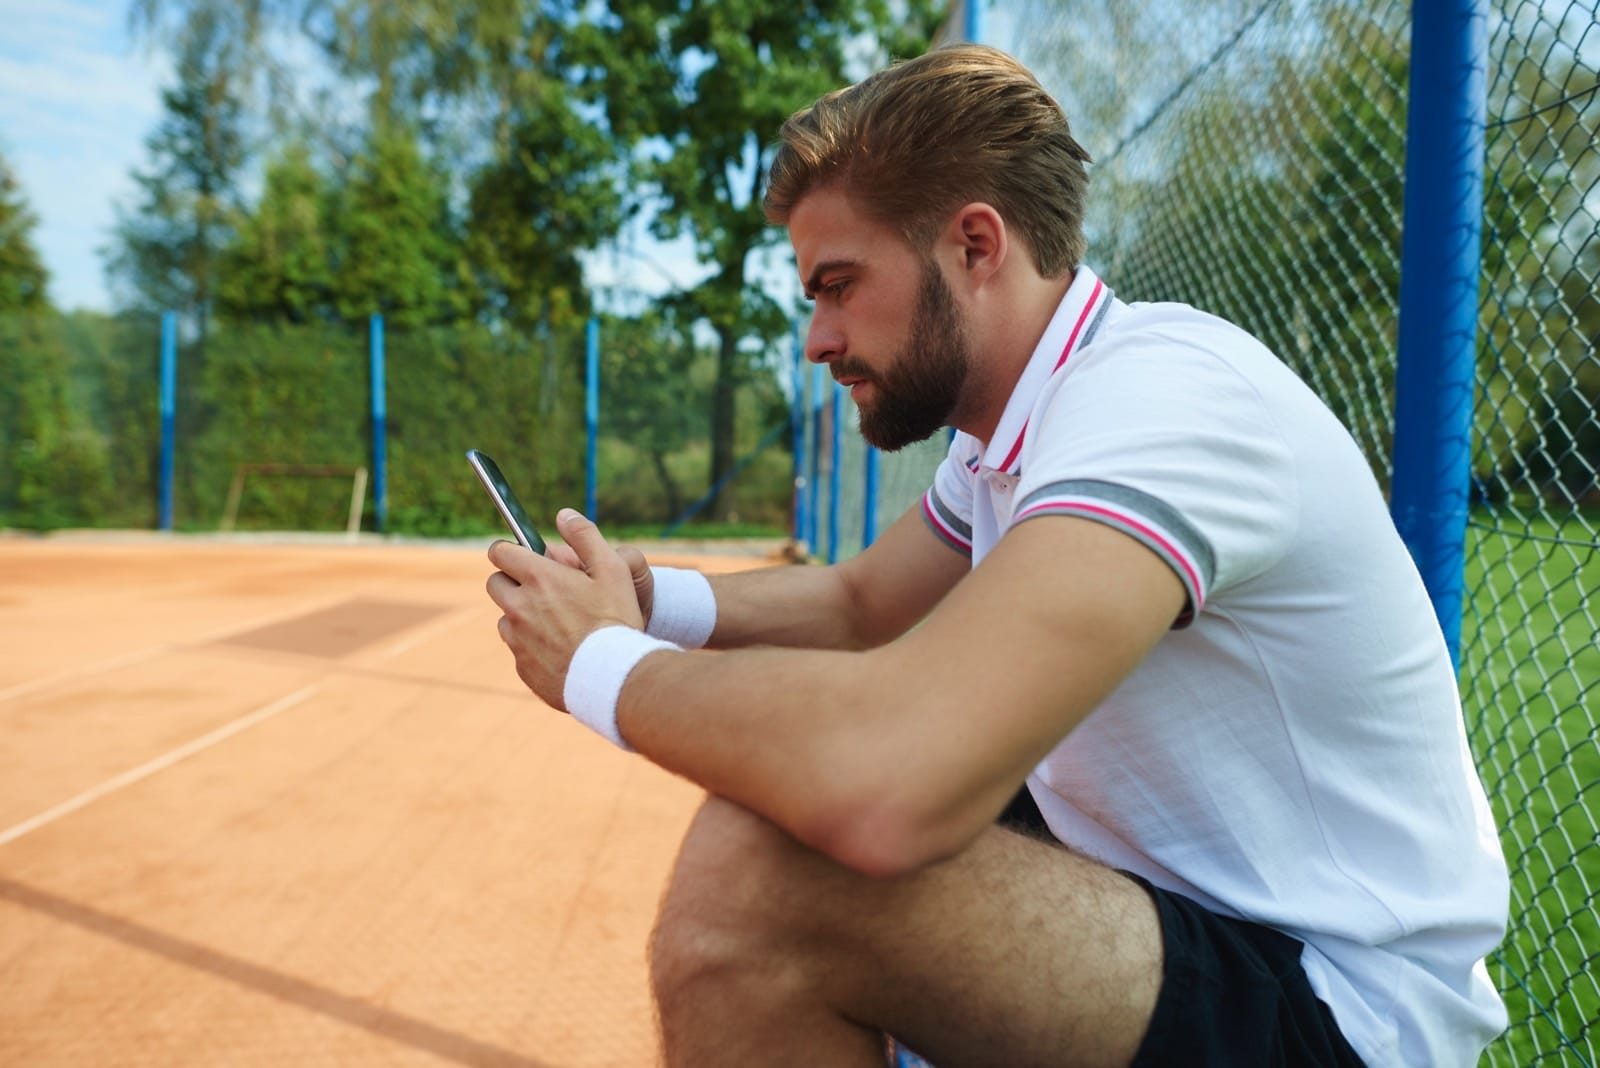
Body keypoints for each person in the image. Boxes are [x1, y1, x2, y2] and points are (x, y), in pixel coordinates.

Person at [483, 43, 1508, 1068]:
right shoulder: (1012, 430)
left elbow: (890, 784)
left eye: (838, 285)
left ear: (976, 244)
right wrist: (646, 600)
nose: (817, 337)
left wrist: (598, 664)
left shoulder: (1159, 402)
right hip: (1184, 909)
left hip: (1342, 1004)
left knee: (766, 881)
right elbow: (856, 603)